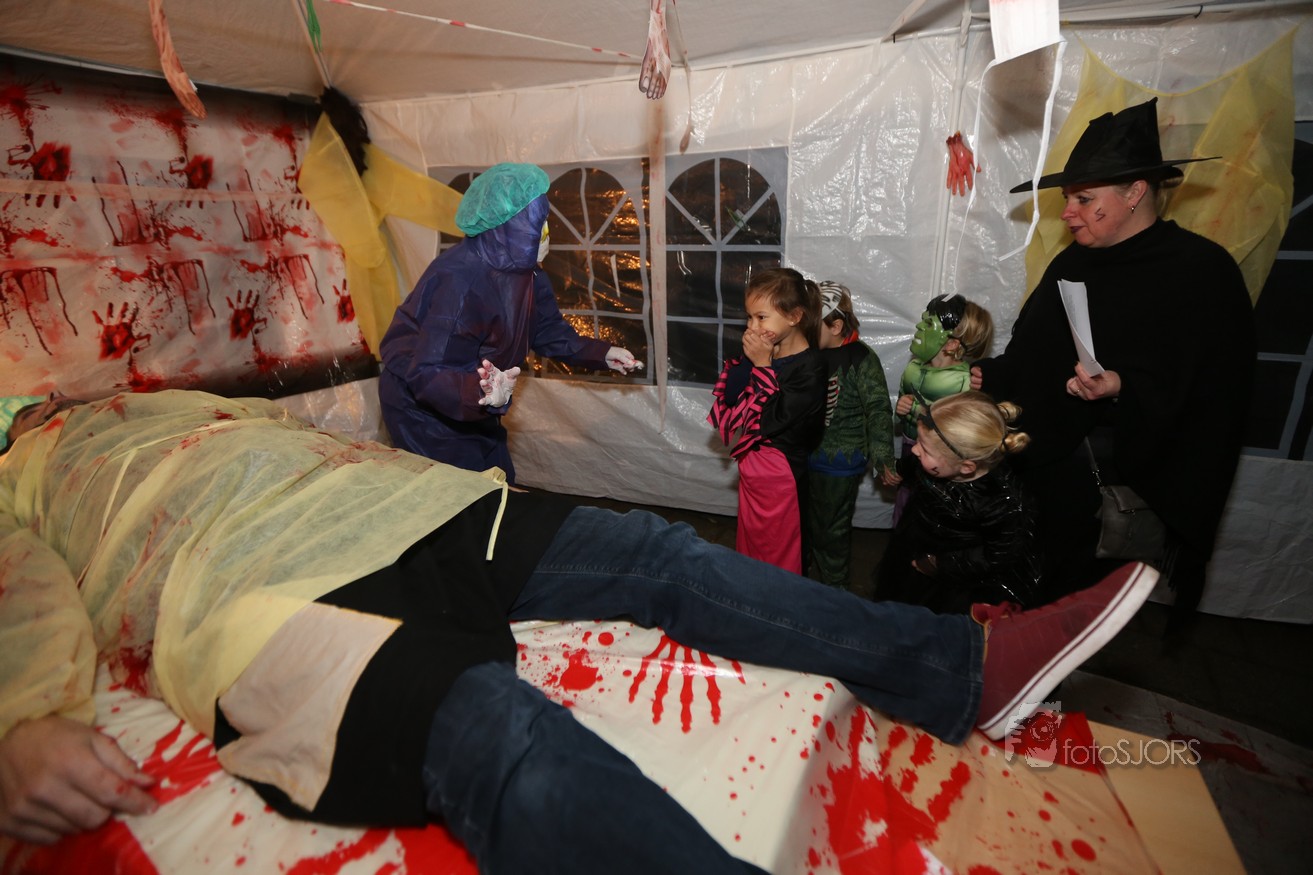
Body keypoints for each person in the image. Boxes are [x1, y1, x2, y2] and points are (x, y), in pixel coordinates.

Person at [0, 389, 1159, 872]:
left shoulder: (163, 399)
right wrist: (23, 713)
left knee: (658, 552)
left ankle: (957, 666)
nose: (44, 402)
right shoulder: (26, 470)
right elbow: (19, 588)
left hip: (403, 507)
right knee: (492, 728)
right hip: (244, 593)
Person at [971, 98, 1255, 621]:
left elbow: (1218, 389)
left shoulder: (1200, 272)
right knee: (1007, 602)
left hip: (1107, 490)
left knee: (1063, 616)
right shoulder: (1073, 260)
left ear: (1135, 193)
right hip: (1036, 473)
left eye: (1084, 198)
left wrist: (1125, 387)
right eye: (1068, 198)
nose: (1067, 212)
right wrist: (981, 375)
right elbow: (1032, 357)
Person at [377, 162, 641, 483]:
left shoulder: (526, 273)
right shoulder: (461, 282)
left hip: (478, 397)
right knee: (459, 494)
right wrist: (481, 392)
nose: (547, 233)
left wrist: (601, 354)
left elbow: (546, 330)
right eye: (538, 223)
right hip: (422, 408)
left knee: (498, 480)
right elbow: (429, 372)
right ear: (510, 228)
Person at [874, 391, 1042, 614]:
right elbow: (914, 464)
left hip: (953, 580)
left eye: (924, 448)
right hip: (915, 542)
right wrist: (899, 470)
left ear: (966, 467)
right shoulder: (937, 462)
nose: (914, 449)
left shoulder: (1000, 503)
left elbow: (997, 556)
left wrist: (938, 564)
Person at [708, 267, 827, 573]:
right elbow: (732, 398)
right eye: (749, 317)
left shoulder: (811, 367)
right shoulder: (767, 353)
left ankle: (778, 595)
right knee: (752, 545)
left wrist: (762, 366)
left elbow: (771, 418)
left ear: (794, 316)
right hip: (753, 472)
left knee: (780, 548)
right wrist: (752, 361)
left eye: (761, 317)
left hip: (782, 475)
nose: (752, 326)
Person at [804, 281, 896, 588]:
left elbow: (878, 409)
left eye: (813, 325)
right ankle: (802, 576)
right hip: (805, 455)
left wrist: (883, 458)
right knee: (806, 521)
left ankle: (835, 588)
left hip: (840, 461)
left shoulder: (862, 358)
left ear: (836, 326)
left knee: (832, 528)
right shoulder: (810, 353)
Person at [888, 294, 994, 522]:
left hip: (940, 462)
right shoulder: (912, 369)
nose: (919, 326)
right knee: (905, 503)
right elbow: (900, 417)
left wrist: (915, 409)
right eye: (923, 320)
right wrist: (901, 410)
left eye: (928, 323)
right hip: (910, 447)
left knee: (930, 510)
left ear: (952, 343)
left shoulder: (964, 381)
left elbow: (961, 433)